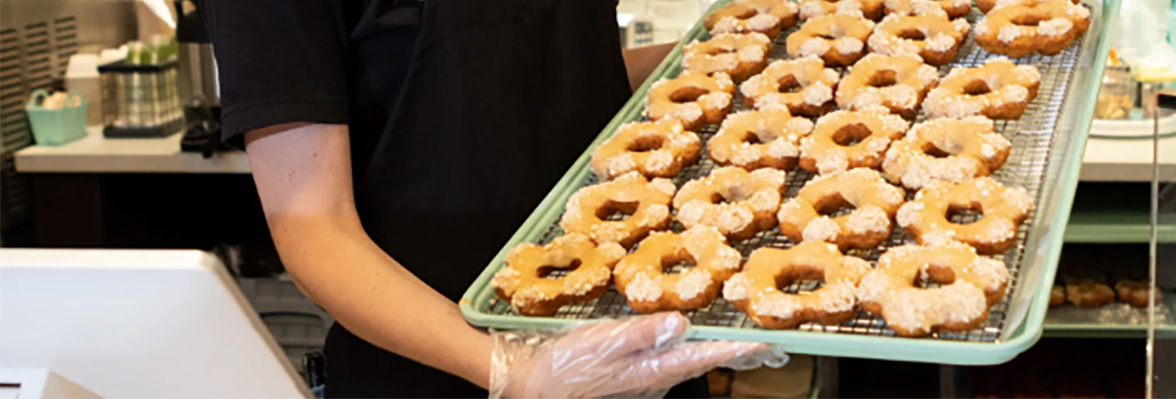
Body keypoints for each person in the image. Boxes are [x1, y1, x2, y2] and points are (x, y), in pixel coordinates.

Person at [203, 1, 775, 397]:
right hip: (436, 374)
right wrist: (510, 369)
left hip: (634, 345)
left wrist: (713, 49)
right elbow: (310, 225)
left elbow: (564, 83)